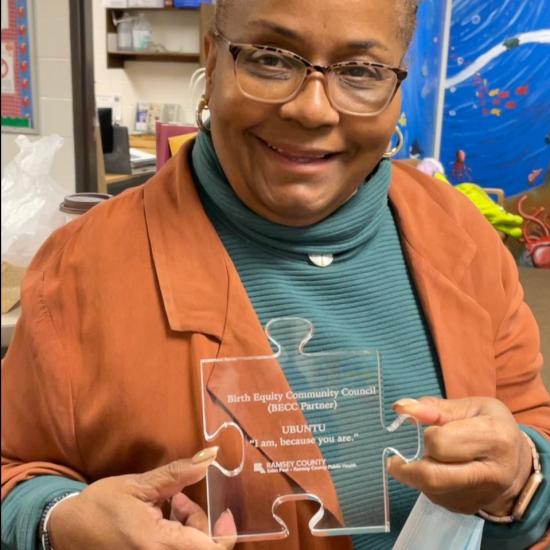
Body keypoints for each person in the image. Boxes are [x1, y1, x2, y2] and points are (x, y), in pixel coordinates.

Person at [2, 0, 549, 549]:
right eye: (271, 59)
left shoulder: (463, 238)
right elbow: (12, 472)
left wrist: (521, 478)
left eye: (360, 71)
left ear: (397, 87)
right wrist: (60, 522)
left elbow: (532, 430)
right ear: (212, 60)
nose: (312, 110)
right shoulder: (79, 270)